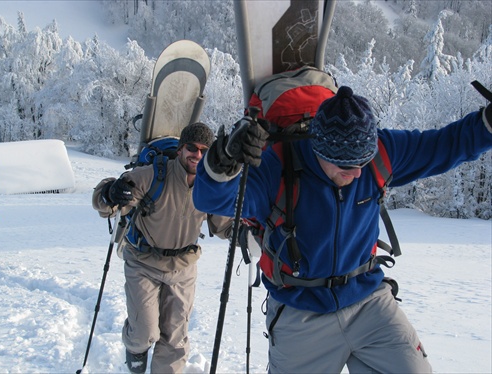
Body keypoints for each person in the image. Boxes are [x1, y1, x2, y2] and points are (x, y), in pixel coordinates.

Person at [193, 86, 492, 373]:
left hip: (368, 300)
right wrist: (224, 161)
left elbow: (447, 144)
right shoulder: (278, 168)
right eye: (346, 166)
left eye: (362, 162)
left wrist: (487, 124)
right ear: (317, 148)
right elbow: (212, 198)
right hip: (301, 311)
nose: (358, 173)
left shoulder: (381, 154)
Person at [92, 122, 233, 374]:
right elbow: (107, 203)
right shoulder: (152, 175)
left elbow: (224, 226)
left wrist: (248, 232)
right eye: (191, 147)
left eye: (204, 149)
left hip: (183, 269)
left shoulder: (210, 185)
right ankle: (135, 348)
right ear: (180, 149)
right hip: (143, 262)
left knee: (175, 339)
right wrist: (109, 192)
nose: (197, 155)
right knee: (144, 332)